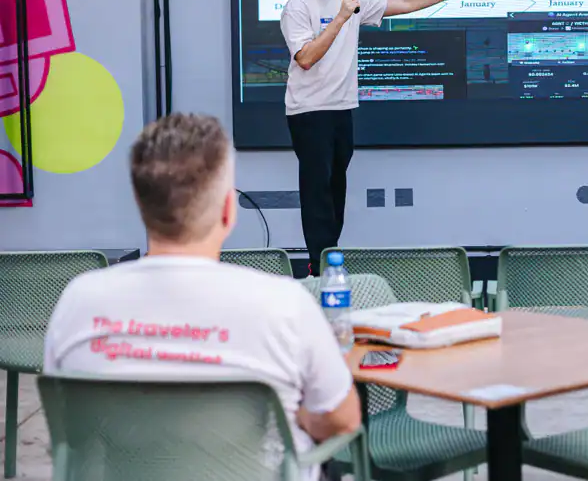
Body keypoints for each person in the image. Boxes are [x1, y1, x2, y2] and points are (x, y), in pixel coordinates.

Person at [44, 113, 361, 480]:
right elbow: (344, 419)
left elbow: (67, 434)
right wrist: (303, 417)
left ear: (142, 204)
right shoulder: (286, 305)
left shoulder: (78, 303)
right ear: (228, 210)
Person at [281, 0, 490, 275]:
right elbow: (305, 58)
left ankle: (330, 257)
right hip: (309, 110)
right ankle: (320, 267)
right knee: (317, 190)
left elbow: (403, 4)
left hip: (341, 108)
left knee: (336, 189)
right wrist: (341, 18)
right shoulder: (298, 7)